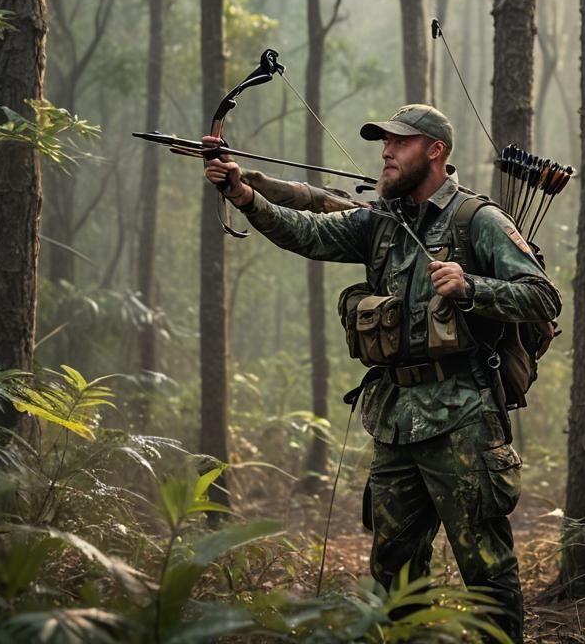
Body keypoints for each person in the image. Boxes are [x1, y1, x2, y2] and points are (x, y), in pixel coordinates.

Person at [203, 104, 560, 643]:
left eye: (400, 143)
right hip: (394, 423)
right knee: (393, 573)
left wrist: (472, 287)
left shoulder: (477, 220)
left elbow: (543, 296)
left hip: (465, 419)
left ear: (435, 152)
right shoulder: (380, 222)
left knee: (485, 569)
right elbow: (307, 232)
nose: (386, 153)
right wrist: (243, 194)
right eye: (383, 143)